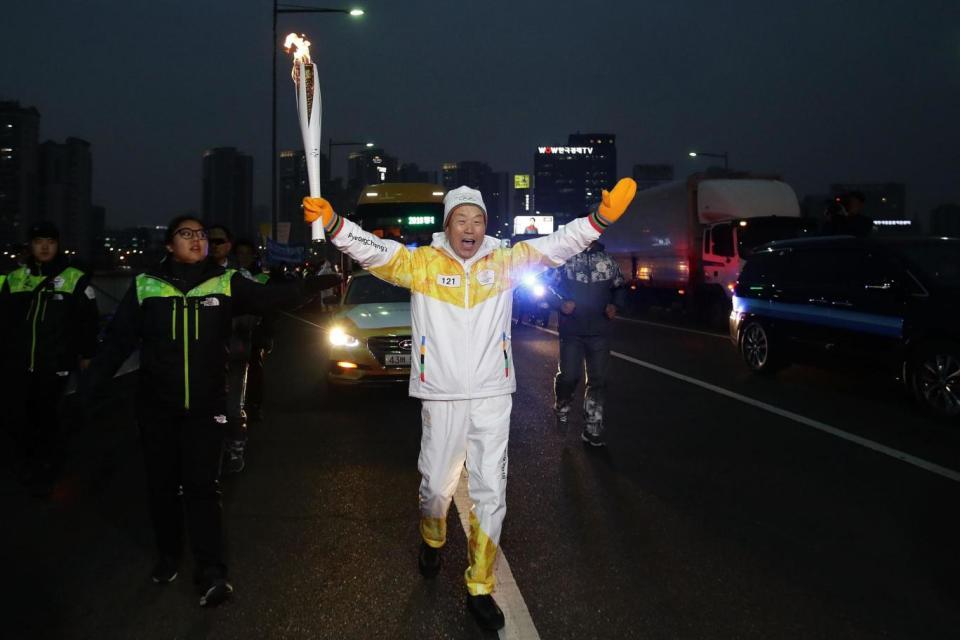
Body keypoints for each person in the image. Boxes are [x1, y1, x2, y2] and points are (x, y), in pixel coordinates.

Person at [303, 177, 637, 631]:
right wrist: (335, 224)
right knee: (437, 487)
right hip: (440, 395)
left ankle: (479, 586)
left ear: (485, 226)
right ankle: (432, 534)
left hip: (492, 393)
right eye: (461, 219)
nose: (470, 227)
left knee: (490, 494)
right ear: (448, 225)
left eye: (478, 220)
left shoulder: (505, 262)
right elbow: (374, 252)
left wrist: (600, 219)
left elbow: (559, 244)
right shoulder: (420, 264)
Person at [77, 215, 336, 607]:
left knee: (202, 489)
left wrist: (312, 285)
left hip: (206, 408)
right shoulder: (147, 286)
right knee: (162, 488)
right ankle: (168, 556)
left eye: (200, 235)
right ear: (169, 245)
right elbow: (117, 342)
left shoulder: (224, 281)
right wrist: (90, 386)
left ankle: (212, 572)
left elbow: (271, 298)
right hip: (155, 408)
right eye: (186, 234)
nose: (197, 240)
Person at [0, 221, 99, 487]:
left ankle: (46, 468)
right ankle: (27, 463)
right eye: (38, 242)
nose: (44, 247)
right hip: (18, 362)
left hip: (55, 361)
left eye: (50, 242)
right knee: (19, 414)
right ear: (30, 246)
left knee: (47, 414)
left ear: (58, 245)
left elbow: (89, 319)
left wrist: (87, 352)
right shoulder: (14, 278)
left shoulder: (73, 277)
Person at [549, 240, 626, 447]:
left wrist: (615, 305)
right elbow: (547, 286)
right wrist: (559, 303)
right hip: (572, 330)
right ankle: (562, 406)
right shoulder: (566, 260)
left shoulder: (608, 261)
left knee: (598, 380)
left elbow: (620, 287)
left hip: (600, 330)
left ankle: (593, 428)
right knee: (569, 376)